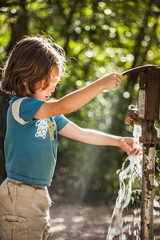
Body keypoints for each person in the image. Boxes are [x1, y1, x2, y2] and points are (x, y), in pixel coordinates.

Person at [0, 35, 141, 240]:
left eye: (55, 83)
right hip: (20, 196)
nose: (53, 88)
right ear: (26, 78)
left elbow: (81, 133)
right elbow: (63, 105)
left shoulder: (49, 115)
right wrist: (100, 84)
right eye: (48, 82)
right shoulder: (20, 107)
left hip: (38, 194)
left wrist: (118, 141)